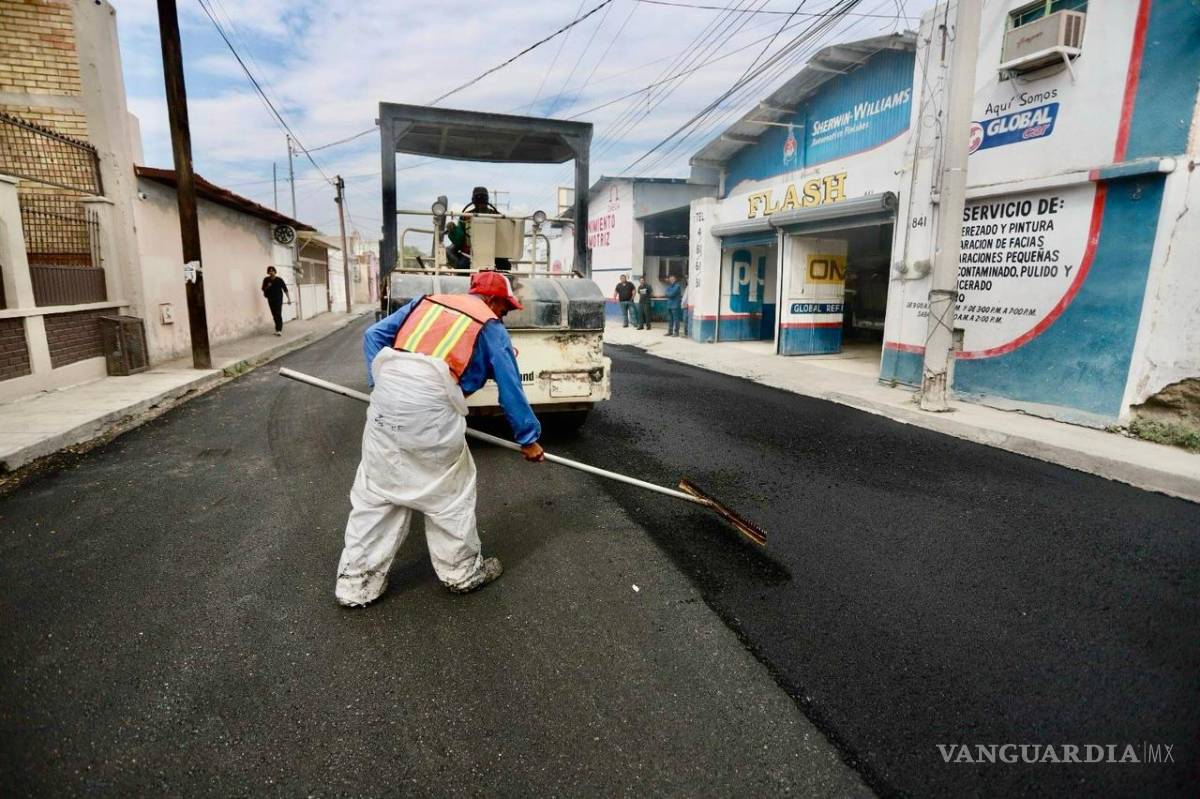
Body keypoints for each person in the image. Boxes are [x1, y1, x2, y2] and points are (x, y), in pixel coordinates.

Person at [335, 270, 544, 607]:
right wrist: (528, 439)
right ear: (493, 300)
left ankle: (355, 585)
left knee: (377, 490)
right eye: (505, 308)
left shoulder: (426, 303)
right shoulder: (490, 326)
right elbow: (510, 388)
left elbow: (373, 335)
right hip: (431, 409)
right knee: (449, 492)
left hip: (386, 404)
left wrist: (382, 386)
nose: (503, 315)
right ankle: (461, 573)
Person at [445, 186, 510, 271]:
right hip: (470, 255)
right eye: (478, 199)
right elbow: (459, 240)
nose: (480, 202)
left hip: (493, 255)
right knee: (462, 266)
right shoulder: (465, 217)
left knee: (505, 265)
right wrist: (453, 231)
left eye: (482, 199)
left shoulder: (497, 215)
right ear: (474, 201)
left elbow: (504, 237)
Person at [261, 266, 291, 336]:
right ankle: (277, 329)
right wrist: (267, 286)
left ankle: (279, 330)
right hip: (270, 299)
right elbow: (263, 289)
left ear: (275, 271)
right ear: (268, 272)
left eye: (272, 271)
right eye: (270, 271)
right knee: (274, 314)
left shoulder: (279, 280)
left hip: (278, 299)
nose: (271, 272)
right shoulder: (266, 280)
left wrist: (288, 299)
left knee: (278, 313)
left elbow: (285, 289)